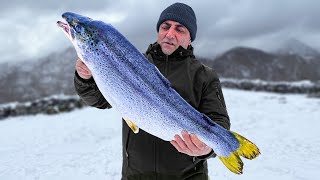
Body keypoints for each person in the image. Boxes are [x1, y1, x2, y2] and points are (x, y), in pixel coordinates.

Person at [74, 2, 230, 180]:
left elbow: (218, 121)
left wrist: (207, 149)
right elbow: (100, 100)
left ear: (190, 39)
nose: (170, 34)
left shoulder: (205, 75)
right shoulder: (131, 64)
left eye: (180, 29)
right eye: (165, 26)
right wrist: (85, 78)